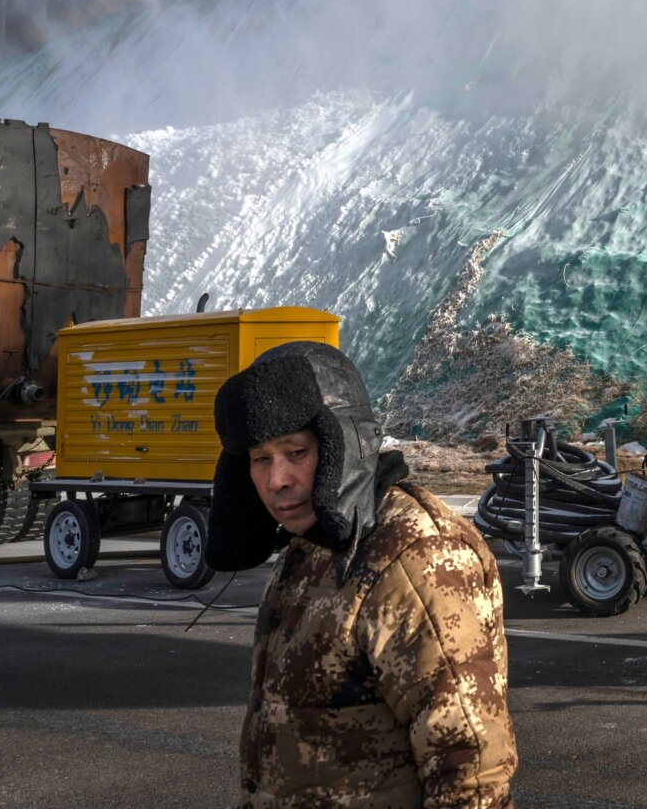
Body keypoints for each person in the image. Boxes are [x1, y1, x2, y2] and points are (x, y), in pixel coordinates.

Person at [208, 341, 517, 808]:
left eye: (296, 451)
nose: (278, 480)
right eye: (261, 459)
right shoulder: (315, 542)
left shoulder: (415, 554)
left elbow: (469, 768)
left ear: (344, 445)